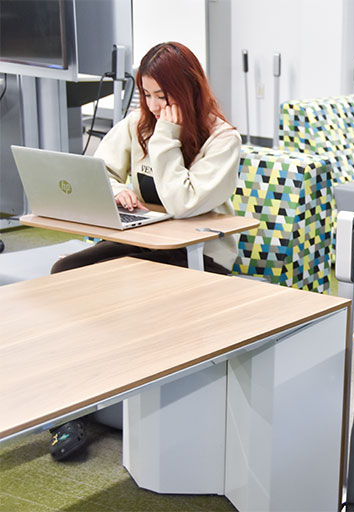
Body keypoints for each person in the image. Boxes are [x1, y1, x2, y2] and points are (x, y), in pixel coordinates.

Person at [48, 41, 242, 461]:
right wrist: (117, 190)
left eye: (164, 97)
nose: (154, 107)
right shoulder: (139, 123)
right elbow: (98, 168)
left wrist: (168, 138)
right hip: (143, 242)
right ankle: (71, 407)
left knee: (135, 293)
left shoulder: (222, 138)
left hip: (201, 255)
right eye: (147, 95)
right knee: (66, 272)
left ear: (189, 90)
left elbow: (183, 203)